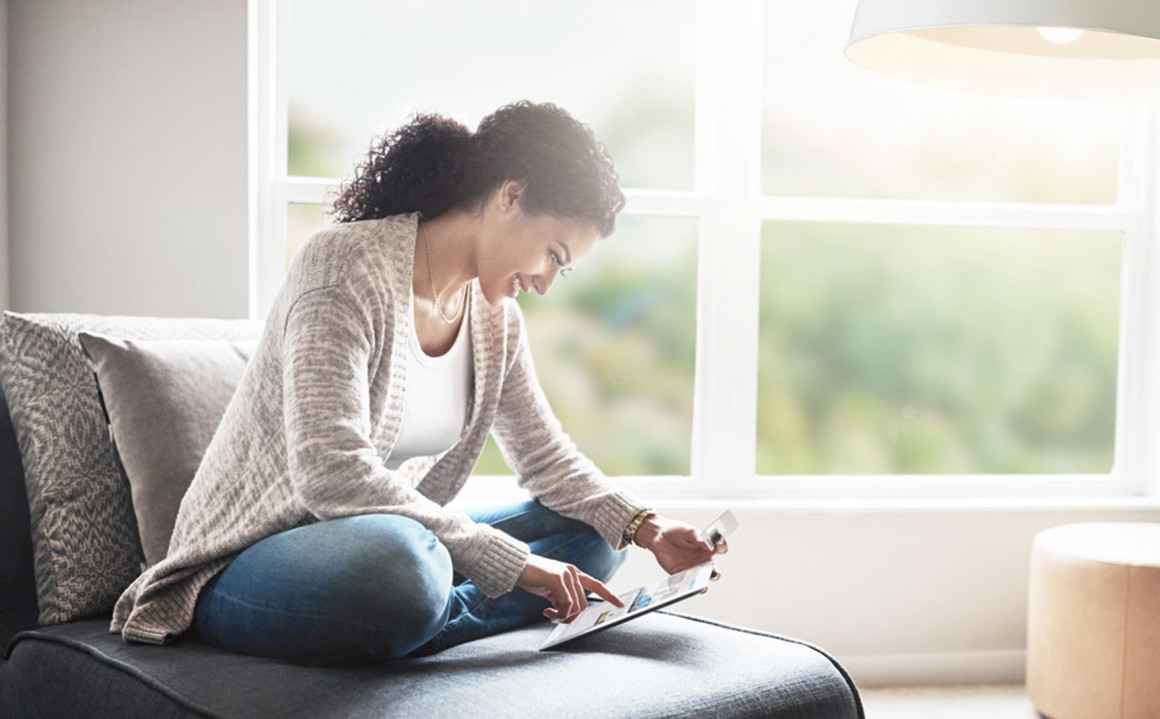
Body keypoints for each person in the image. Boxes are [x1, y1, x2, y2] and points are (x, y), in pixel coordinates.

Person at [109, 100, 728, 665]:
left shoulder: (495, 320)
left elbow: (547, 460)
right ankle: (421, 611)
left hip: (388, 542)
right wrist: (511, 565)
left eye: (561, 271)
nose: (545, 280)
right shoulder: (343, 265)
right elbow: (332, 473)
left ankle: (417, 621)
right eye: (554, 254)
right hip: (249, 560)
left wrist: (646, 527)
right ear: (511, 195)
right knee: (401, 570)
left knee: (596, 538)